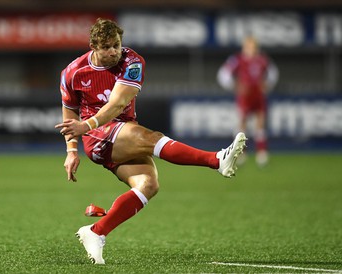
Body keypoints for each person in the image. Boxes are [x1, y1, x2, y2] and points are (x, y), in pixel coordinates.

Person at [54, 18, 247, 265]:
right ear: (93, 46)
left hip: (119, 131)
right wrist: (72, 150)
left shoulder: (132, 61)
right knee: (150, 138)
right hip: (97, 136)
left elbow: (118, 104)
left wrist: (85, 124)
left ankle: (96, 231)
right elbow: (69, 112)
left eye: (116, 44)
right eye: (106, 47)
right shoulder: (73, 72)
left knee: (148, 184)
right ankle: (216, 160)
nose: (113, 51)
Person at [217, 36, 278, 166]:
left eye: (253, 46)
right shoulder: (237, 59)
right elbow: (223, 74)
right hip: (244, 97)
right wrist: (234, 86)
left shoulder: (262, 60)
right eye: (248, 46)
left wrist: (267, 85)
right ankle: (241, 154)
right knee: (242, 125)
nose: (250, 49)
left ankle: (261, 153)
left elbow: (273, 73)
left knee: (260, 124)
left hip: (258, 96)